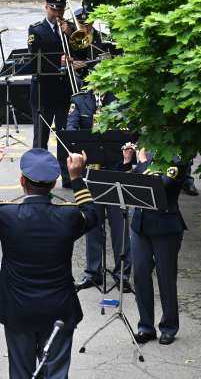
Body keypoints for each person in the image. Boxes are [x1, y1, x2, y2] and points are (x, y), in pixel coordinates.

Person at [0, 147, 98, 378]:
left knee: (20, 371)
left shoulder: (7, 215)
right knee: (56, 372)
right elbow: (92, 213)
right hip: (59, 307)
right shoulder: (69, 217)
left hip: (18, 308)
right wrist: (76, 178)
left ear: (22, 181)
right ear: (55, 183)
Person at [67, 93, 131, 292]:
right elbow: (71, 130)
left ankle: (122, 273)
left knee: (119, 224)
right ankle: (93, 272)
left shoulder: (121, 100)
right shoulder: (79, 100)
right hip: (91, 172)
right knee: (92, 223)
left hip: (115, 171)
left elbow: (129, 132)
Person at [125, 148, 188, 345]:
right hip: (141, 223)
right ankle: (146, 326)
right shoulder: (148, 150)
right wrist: (128, 162)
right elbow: (130, 184)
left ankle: (169, 326)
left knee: (165, 276)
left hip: (165, 225)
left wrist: (142, 162)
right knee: (140, 273)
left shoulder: (178, 154)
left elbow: (161, 184)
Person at [28, 0, 73, 186]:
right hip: (43, 90)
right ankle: (39, 178)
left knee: (64, 136)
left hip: (63, 91)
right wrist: (57, 60)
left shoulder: (69, 28)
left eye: (60, 9)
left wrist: (69, 34)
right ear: (46, 8)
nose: (57, 13)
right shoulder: (36, 29)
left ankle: (68, 178)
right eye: (54, 9)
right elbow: (33, 56)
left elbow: (80, 50)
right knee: (41, 138)